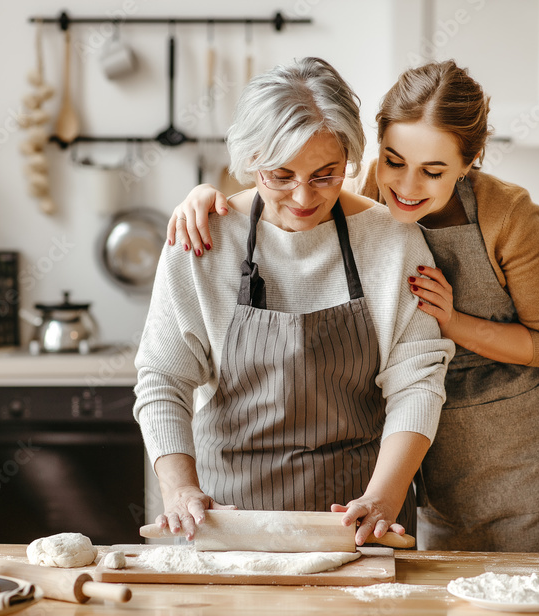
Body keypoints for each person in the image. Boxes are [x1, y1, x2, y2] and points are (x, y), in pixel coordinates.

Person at [165, 59, 539, 553]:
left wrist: (451, 322)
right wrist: (209, 199)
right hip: (425, 457)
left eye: (433, 171)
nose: (407, 187)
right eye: (394, 161)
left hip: (520, 453)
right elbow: (293, 187)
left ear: (471, 160)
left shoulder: (504, 214)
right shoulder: (365, 196)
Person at [134, 57, 454, 546]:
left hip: (358, 520)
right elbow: (163, 378)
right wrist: (179, 490)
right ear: (250, 161)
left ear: (349, 158)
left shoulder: (392, 242)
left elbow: (418, 382)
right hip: (228, 521)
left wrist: (384, 498)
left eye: (326, 175)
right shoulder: (203, 240)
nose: (304, 197)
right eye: (280, 176)